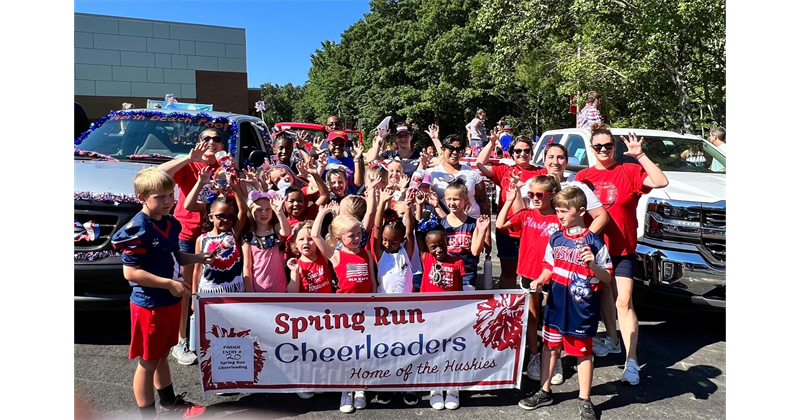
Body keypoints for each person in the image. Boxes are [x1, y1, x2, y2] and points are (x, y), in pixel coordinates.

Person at [110, 167, 210, 419]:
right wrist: (168, 284)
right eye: (160, 197)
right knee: (148, 362)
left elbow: (174, 256)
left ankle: (169, 404)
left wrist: (199, 257)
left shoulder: (170, 223)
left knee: (162, 355)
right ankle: (148, 414)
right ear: (142, 198)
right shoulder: (138, 229)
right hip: (150, 304)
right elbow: (130, 273)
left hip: (169, 300)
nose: (168, 201)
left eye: (170, 194)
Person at [574, 123, 669, 386]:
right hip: (595, 249)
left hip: (623, 248)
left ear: (615, 147)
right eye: (598, 146)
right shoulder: (583, 177)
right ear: (591, 149)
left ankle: (632, 359)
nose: (603, 150)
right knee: (606, 295)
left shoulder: (629, 170)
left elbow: (661, 181)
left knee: (624, 302)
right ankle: (614, 341)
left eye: (608, 145)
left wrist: (639, 154)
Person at [518, 187, 613, 420]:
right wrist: (541, 280)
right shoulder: (556, 237)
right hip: (556, 304)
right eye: (558, 210)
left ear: (581, 211)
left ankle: (585, 398)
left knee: (582, 353)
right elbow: (549, 266)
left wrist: (593, 266)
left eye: (564, 211)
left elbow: (608, 277)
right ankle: (544, 390)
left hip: (581, 307)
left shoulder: (594, 241)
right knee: (550, 347)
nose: (559, 215)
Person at [158, 129, 226, 366]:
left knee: (216, 286)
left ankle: (215, 337)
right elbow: (159, 174)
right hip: (187, 233)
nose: (211, 142)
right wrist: (189, 158)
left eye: (216, 139)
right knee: (185, 287)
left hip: (215, 235)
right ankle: (180, 341)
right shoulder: (189, 164)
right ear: (198, 143)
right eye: (206, 138)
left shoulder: (224, 166)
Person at [496, 175, 564, 387]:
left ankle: (554, 357)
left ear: (552, 195)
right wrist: (510, 199)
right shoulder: (526, 214)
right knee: (532, 316)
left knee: (553, 318)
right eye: (531, 194)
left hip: (554, 274)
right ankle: (534, 355)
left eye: (539, 195)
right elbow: (500, 225)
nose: (534, 198)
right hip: (528, 272)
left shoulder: (559, 218)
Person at [310, 205, 377, 413]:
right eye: (351, 235)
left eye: (359, 234)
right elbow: (315, 236)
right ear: (339, 238)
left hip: (365, 312)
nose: (357, 238)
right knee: (346, 352)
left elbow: (372, 283)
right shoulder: (336, 255)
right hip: (345, 314)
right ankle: (346, 388)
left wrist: (375, 305)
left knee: (363, 352)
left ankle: (360, 387)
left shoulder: (366, 254)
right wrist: (322, 214)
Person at [476, 133, 546, 289]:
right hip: (508, 231)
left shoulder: (541, 172)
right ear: (512, 153)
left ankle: (532, 311)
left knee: (532, 274)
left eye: (527, 151)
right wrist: (492, 142)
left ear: (531, 153)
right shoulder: (505, 171)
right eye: (518, 151)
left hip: (532, 231)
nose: (522, 154)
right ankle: (508, 309)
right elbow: (480, 163)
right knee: (508, 273)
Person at [372, 189, 419, 406]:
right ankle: (388, 386)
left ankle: (408, 386)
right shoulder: (380, 254)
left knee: (407, 351)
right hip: (384, 313)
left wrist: (408, 209)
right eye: (385, 241)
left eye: (392, 241)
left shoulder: (405, 253)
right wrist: (381, 202)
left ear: (400, 241)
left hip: (407, 313)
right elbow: (377, 228)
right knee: (387, 351)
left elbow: (410, 232)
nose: (387, 244)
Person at [417, 228, 466, 409]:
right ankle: (435, 386)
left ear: (448, 242)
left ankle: (452, 386)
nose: (438, 250)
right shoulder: (426, 259)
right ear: (427, 249)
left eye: (442, 245)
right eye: (433, 247)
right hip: (431, 316)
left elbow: (460, 290)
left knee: (451, 351)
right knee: (433, 351)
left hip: (451, 316)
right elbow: (415, 234)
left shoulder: (458, 262)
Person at [531, 143, 610, 235]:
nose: (555, 162)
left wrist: (583, 239)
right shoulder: (533, 185)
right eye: (551, 157)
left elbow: (602, 216)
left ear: (566, 162)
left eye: (560, 157)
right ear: (544, 161)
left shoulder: (577, 187)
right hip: (538, 243)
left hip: (566, 246)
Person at [190, 174, 249, 294]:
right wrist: (194, 296)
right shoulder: (201, 239)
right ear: (211, 217)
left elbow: (243, 211)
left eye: (230, 217)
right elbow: (198, 269)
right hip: (208, 290)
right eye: (220, 216)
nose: (225, 220)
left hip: (234, 290)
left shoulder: (233, 233)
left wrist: (235, 188)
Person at [440, 179, 492, 289]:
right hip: (445, 271)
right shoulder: (441, 224)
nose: (452, 203)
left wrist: (482, 231)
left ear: (466, 200)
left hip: (467, 274)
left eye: (456, 199)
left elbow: (475, 252)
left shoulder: (473, 224)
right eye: (448, 199)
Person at [427, 134, 489, 219]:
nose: (455, 152)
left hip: (473, 222)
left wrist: (487, 229)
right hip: (444, 224)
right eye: (451, 148)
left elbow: (483, 203)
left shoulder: (473, 174)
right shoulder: (431, 173)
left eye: (459, 149)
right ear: (443, 149)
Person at [242, 191, 291, 292]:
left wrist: (279, 212)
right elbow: (247, 267)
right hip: (258, 289)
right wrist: (250, 293)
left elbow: (286, 232)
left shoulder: (276, 228)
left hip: (279, 287)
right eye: (259, 210)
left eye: (268, 209)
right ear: (251, 211)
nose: (264, 213)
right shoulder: (248, 236)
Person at [286, 221, 334, 293]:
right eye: (301, 239)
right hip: (308, 303)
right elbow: (292, 293)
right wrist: (294, 271)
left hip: (327, 302)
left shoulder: (323, 255)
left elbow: (317, 235)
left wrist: (321, 212)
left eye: (310, 239)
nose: (306, 242)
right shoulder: (297, 265)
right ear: (295, 243)